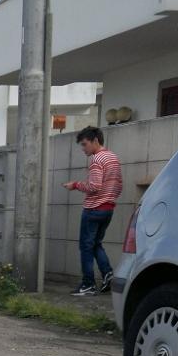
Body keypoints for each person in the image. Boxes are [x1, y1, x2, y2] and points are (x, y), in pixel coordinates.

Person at [63, 126, 123, 296]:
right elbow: (119, 186)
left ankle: (88, 284)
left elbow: (94, 186)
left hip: (93, 209)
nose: (83, 149)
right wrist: (109, 197)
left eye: (84, 144)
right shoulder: (113, 157)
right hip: (108, 209)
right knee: (96, 244)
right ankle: (108, 275)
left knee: (86, 247)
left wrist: (75, 185)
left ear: (95, 141)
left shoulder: (97, 160)